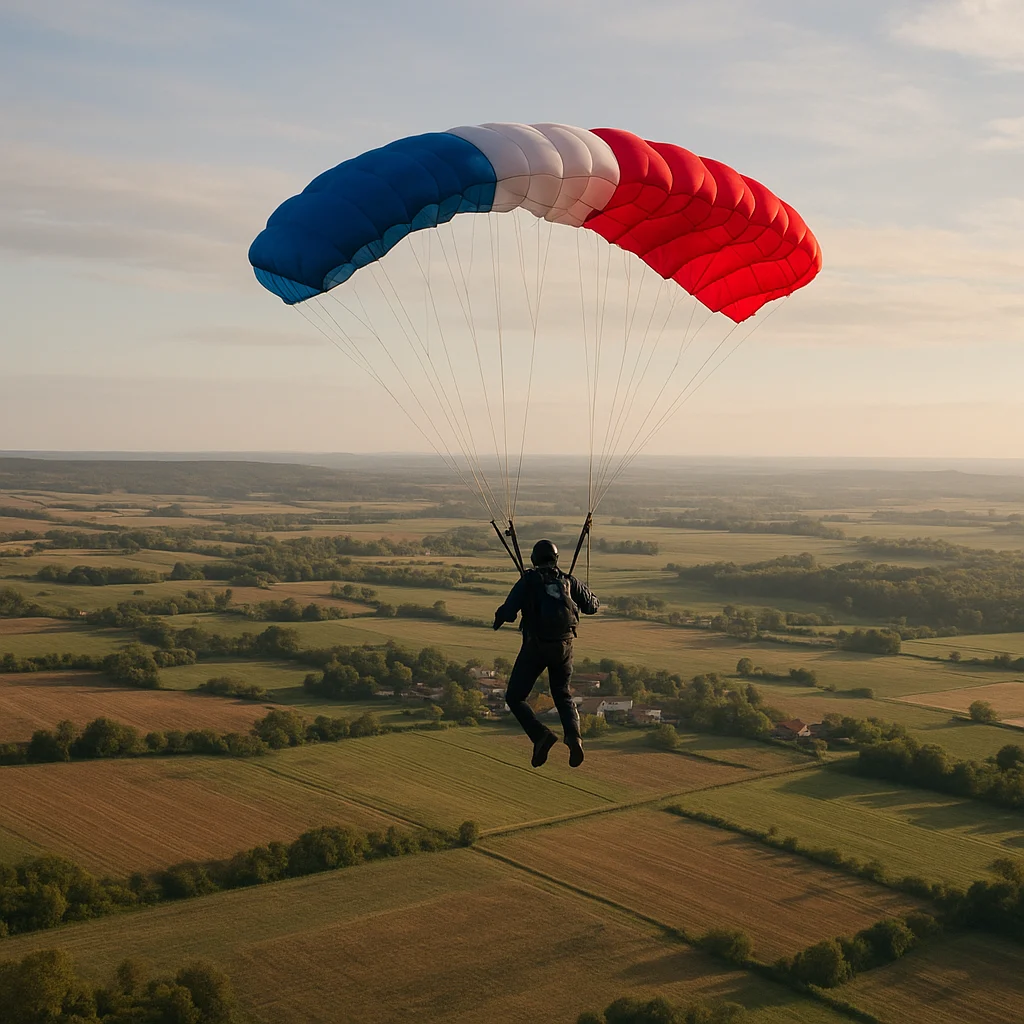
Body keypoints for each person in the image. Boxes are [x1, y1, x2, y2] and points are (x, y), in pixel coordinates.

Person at [493, 538, 600, 768]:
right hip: (564, 647)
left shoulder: (528, 581)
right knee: (562, 694)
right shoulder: (568, 581)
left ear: (533, 560)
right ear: (556, 559)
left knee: (515, 697)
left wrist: (501, 615)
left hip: (536, 646)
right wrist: (585, 593)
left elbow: (509, 612)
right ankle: (574, 739)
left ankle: (541, 736)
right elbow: (592, 606)